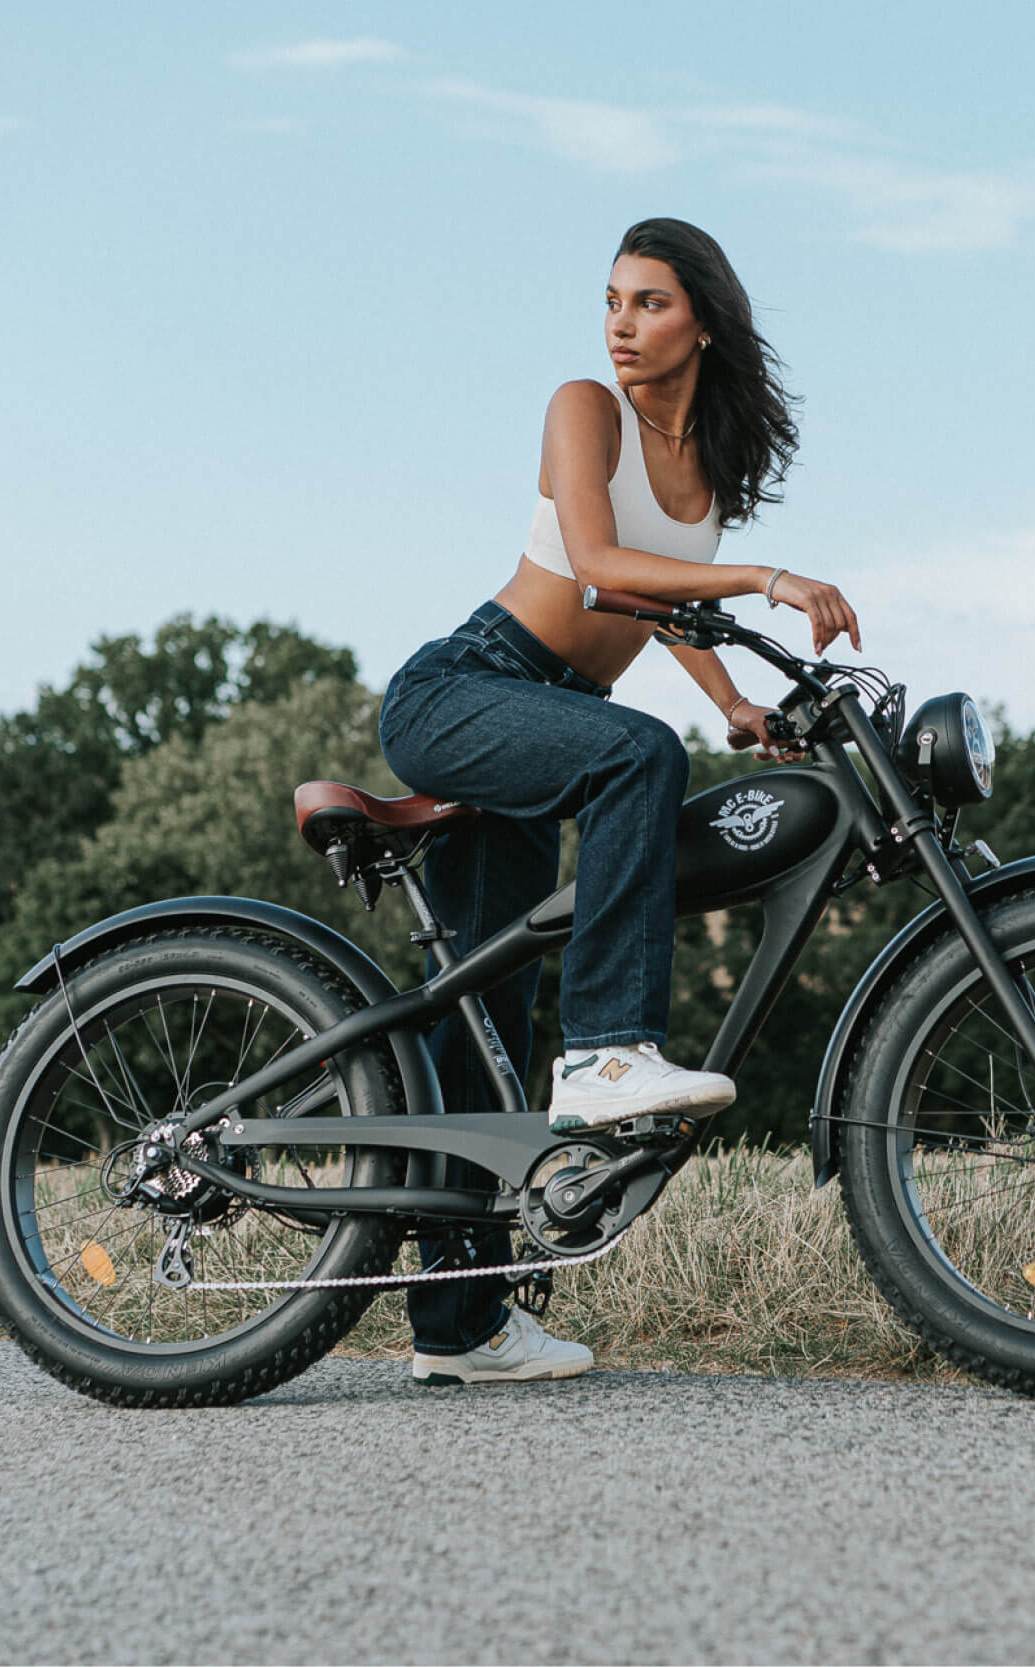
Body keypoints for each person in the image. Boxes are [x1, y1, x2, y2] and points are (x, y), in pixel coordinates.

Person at [376, 217, 862, 1385]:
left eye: (647, 303)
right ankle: (609, 1054)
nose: (620, 324)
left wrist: (734, 697)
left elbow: (655, 605)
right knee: (638, 755)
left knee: (488, 1020)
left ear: (704, 318)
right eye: (611, 300)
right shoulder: (583, 405)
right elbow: (598, 562)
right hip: (469, 688)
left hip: (547, 723)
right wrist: (768, 575)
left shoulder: (705, 470)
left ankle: (460, 1325)